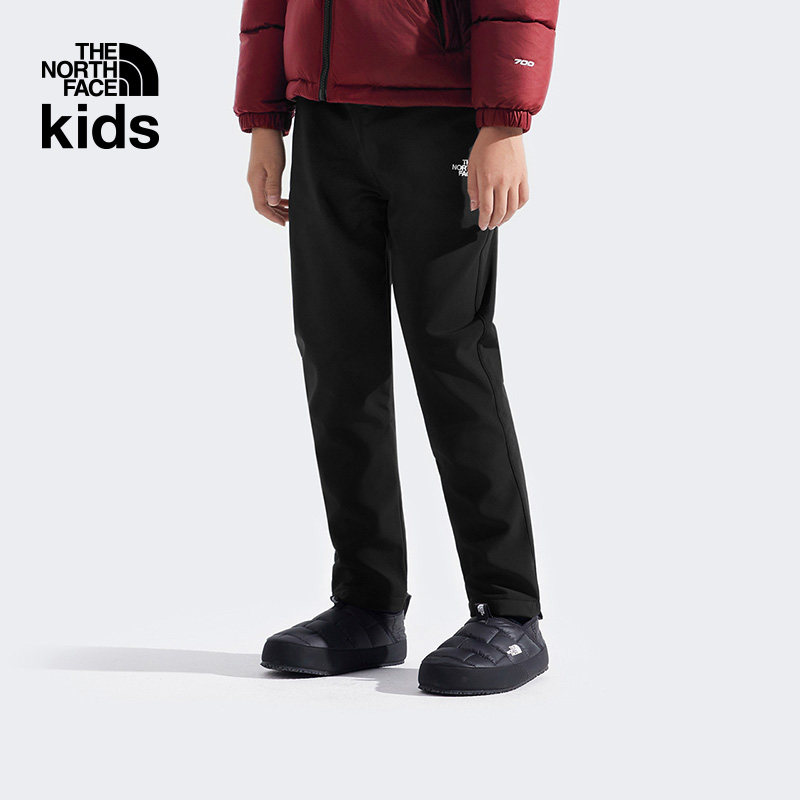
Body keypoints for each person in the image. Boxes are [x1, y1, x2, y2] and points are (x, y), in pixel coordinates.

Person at [234, 0, 559, 695]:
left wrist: (504, 118)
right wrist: (265, 119)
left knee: (452, 356)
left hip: (438, 109)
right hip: (323, 116)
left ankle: (509, 609)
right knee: (336, 357)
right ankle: (367, 603)